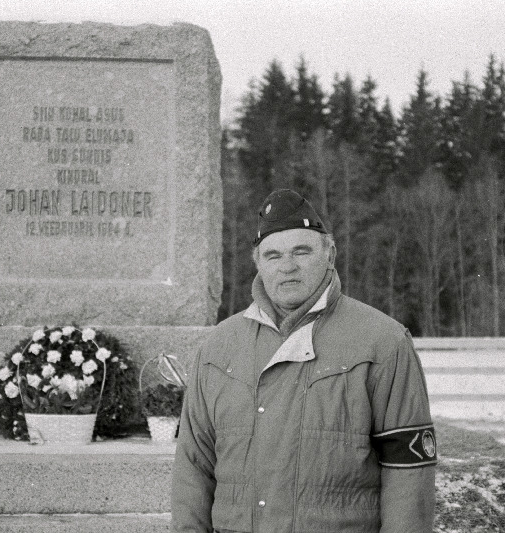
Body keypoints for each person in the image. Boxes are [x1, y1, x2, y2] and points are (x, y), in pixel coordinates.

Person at [172, 189, 437, 532]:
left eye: (302, 251)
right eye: (273, 255)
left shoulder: (382, 342)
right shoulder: (219, 346)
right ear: (258, 263)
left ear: (330, 254)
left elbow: (409, 476)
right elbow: (193, 465)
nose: (287, 267)